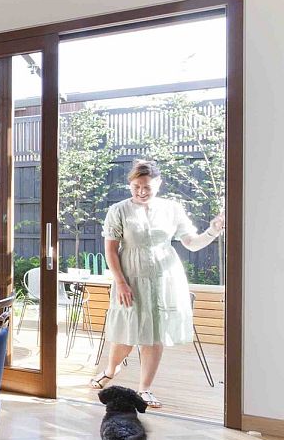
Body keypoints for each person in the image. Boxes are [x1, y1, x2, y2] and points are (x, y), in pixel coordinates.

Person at [90, 160, 224, 408]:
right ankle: (111, 369)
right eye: (136, 186)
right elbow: (110, 250)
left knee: (154, 335)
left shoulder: (172, 209)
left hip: (165, 278)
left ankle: (145, 389)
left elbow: (191, 243)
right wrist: (120, 282)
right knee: (126, 333)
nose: (141, 191)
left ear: (158, 184)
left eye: (147, 187)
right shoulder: (118, 210)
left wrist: (213, 231)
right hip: (129, 277)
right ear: (130, 184)